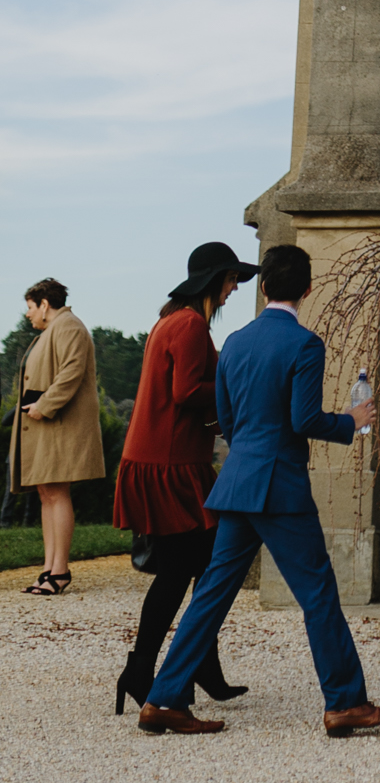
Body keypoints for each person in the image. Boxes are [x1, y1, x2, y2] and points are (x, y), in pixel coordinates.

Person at [136, 241, 380, 739]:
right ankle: (345, 703)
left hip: (238, 481)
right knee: (319, 593)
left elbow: (229, 418)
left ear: (263, 287)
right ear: (306, 289)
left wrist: (249, 457)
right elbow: (303, 419)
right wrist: (351, 420)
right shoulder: (305, 344)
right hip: (279, 485)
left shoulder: (235, 341)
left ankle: (162, 698)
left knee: (212, 596)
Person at [111, 241, 258, 713]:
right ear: (214, 279)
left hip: (166, 459)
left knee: (201, 567)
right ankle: (143, 669)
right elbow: (186, 390)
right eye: (232, 279)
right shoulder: (191, 323)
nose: (235, 288)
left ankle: (196, 664)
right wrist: (235, 388)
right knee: (183, 571)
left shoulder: (171, 319)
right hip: (171, 466)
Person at [10, 278, 104, 597]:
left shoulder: (68, 327)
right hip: (47, 427)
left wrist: (44, 406)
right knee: (46, 493)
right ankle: (50, 568)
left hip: (59, 426)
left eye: (30, 308)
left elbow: (72, 371)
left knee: (56, 492)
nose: (28, 315)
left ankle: (60, 571)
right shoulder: (54, 330)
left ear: (45, 304)